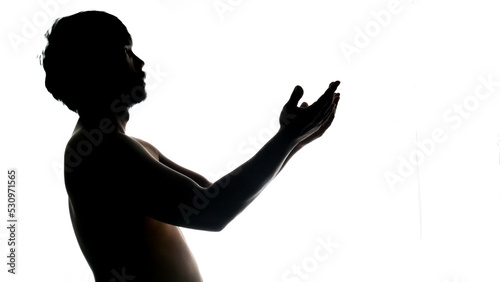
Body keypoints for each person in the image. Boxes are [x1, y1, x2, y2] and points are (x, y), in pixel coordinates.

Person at [42, 10, 341, 282]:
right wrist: (288, 138)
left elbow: (218, 195)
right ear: (96, 66)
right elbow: (214, 211)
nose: (142, 63)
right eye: (127, 53)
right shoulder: (99, 149)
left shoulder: (126, 146)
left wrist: (295, 138)